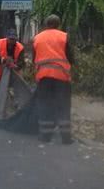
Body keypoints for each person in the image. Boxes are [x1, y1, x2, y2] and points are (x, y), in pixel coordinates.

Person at [32, 14, 73, 144]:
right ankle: (66, 138)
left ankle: (45, 136)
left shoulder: (37, 38)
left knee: (45, 106)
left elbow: (34, 58)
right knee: (63, 106)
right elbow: (71, 57)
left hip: (44, 78)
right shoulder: (64, 36)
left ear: (46, 24)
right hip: (61, 77)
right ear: (58, 24)